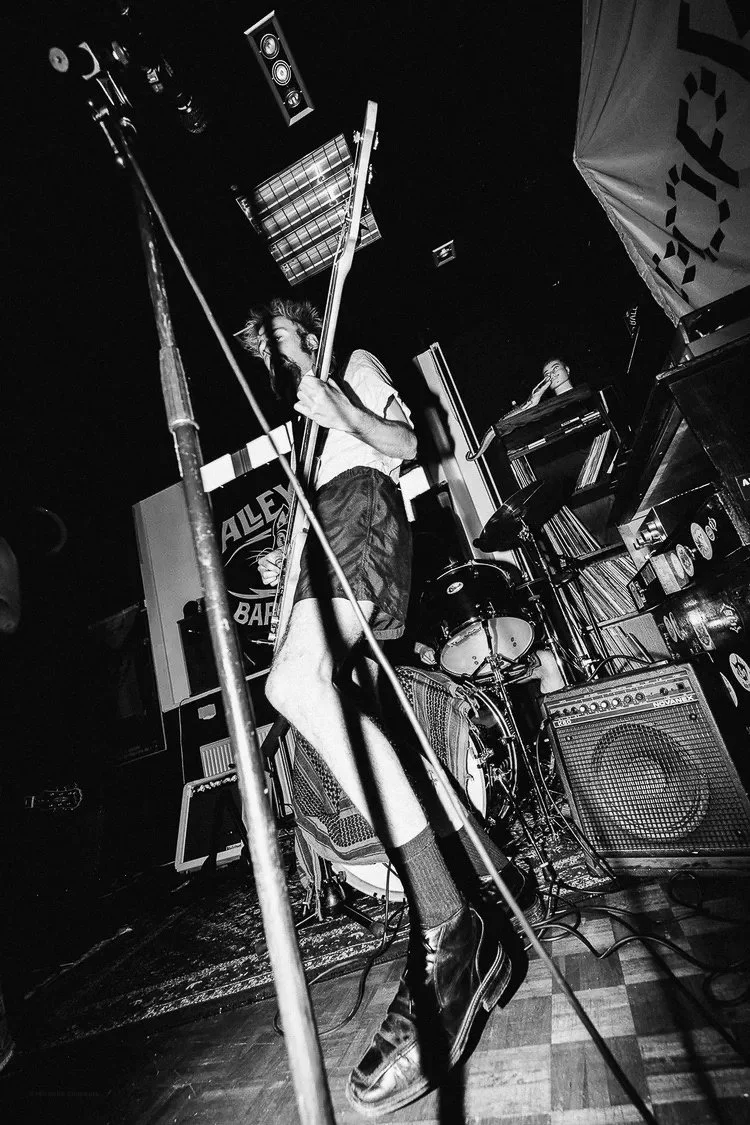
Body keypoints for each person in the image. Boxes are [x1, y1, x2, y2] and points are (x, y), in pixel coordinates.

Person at [238, 298, 539, 1115]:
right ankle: (500, 887)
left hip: (364, 513)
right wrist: (286, 555)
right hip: (328, 535)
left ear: (307, 325)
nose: (285, 350)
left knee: (292, 685)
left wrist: (342, 406)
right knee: (384, 739)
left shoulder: (353, 361)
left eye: (289, 333)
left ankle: (450, 922)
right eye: (272, 347)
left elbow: (411, 447)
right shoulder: (300, 420)